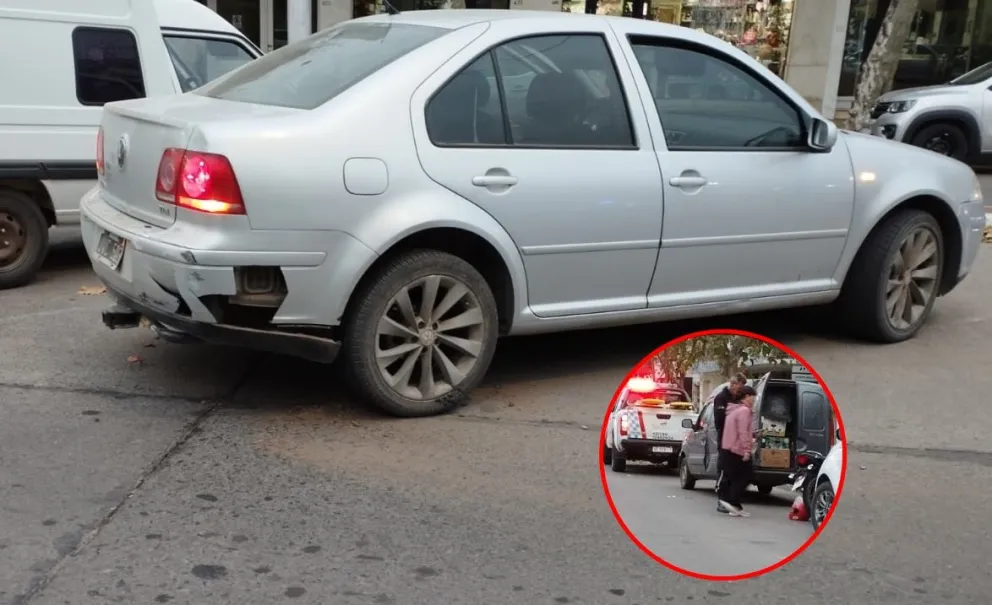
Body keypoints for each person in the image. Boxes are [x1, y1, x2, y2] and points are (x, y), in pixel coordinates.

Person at [717, 385, 757, 517]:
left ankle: (736, 506)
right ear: (746, 397)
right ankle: (731, 502)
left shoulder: (734, 409)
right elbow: (742, 431)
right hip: (737, 449)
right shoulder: (744, 411)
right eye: (753, 397)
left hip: (729, 447)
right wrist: (747, 450)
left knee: (736, 477)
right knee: (745, 477)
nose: (754, 400)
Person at [713, 373, 747, 499]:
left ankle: (730, 498)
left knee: (735, 470)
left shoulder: (738, 399)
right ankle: (721, 498)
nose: (740, 391)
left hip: (737, 442)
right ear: (732, 385)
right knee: (724, 469)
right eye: (739, 388)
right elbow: (719, 421)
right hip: (725, 439)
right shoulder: (721, 398)